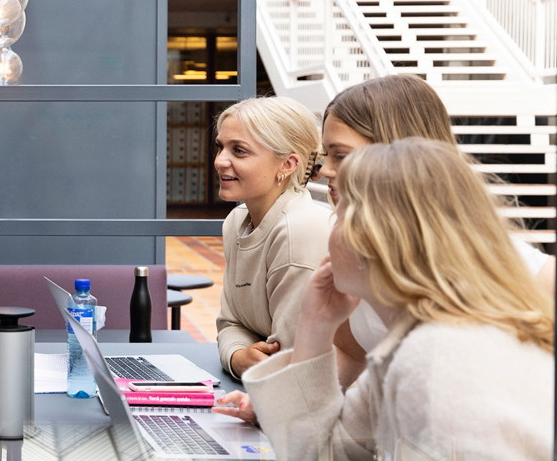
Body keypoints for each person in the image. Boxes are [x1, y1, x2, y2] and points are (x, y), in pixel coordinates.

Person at [215, 75, 557, 420]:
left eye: (340, 155)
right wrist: (278, 403)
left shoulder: (524, 270)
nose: (324, 170)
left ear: (398, 152)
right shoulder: (356, 254)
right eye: (327, 154)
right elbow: (349, 357)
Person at [241, 138, 554, 459]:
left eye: (342, 211)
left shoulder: (438, 359)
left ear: (376, 235)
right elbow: (322, 452)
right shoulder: (418, 343)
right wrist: (315, 325)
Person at [213, 96, 331, 378]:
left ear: (288, 164)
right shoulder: (236, 222)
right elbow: (230, 323)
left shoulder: (299, 230)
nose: (220, 161)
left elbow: (291, 362)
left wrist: (245, 357)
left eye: (239, 151)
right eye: (220, 147)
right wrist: (238, 356)